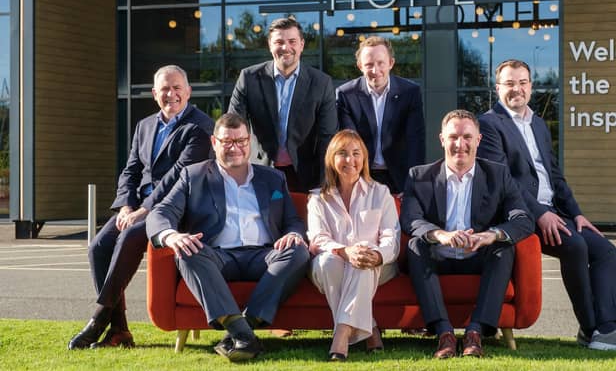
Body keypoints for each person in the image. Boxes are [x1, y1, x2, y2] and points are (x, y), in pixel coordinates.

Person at [68, 65, 215, 350]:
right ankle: (120, 330)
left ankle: (99, 318)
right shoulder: (145, 125)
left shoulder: (200, 127)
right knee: (98, 246)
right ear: (154, 94)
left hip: (176, 208)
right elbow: (131, 170)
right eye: (164, 89)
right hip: (137, 208)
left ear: (188, 91)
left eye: (176, 88)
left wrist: (144, 210)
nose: (170, 94)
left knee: (130, 235)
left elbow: (178, 176)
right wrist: (125, 205)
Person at [146, 112, 310, 362]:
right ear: (214, 143)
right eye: (227, 142)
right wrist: (170, 236)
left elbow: (293, 221)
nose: (235, 148)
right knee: (187, 251)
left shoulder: (273, 178)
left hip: (264, 255)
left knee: (298, 251)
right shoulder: (194, 175)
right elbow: (161, 212)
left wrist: (293, 234)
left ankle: (239, 330)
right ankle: (244, 335)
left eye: (241, 141)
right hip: (218, 256)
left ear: (250, 141)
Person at [477, 59, 616, 351]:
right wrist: (540, 214)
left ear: (531, 85)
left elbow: (554, 175)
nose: (517, 89)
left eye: (523, 82)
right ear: (497, 88)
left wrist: (576, 213)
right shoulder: (488, 124)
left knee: (605, 250)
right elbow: (505, 181)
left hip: (557, 211)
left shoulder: (538, 123)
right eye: (510, 83)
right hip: (519, 214)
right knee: (575, 246)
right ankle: (592, 331)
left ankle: (606, 326)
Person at [400, 109, 533, 359]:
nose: (460, 144)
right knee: (416, 246)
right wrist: (440, 235)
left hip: (478, 257)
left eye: (467, 137)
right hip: (438, 257)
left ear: (478, 140)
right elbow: (410, 219)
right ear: (442, 139)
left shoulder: (498, 174)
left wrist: (491, 235)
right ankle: (444, 333)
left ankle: (475, 332)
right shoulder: (419, 176)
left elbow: (523, 219)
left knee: (504, 247)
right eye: (453, 137)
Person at [307, 129, 400, 361]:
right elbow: (318, 238)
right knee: (330, 261)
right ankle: (370, 327)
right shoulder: (318, 198)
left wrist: (376, 255)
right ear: (332, 159)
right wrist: (345, 252)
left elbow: (392, 238)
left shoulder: (380, 193)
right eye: (343, 153)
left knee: (363, 262)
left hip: (378, 266)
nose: (350, 160)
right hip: (331, 266)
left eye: (356, 153)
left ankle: (341, 336)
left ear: (365, 158)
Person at [228, 16, 337, 192]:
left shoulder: (321, 83)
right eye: (279, 42)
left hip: (305, 176)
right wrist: (234, 174)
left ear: (301, 45)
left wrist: (325, 183)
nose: (286, 47)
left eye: (292, 41)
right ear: (270, 45)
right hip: (259, 171)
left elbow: (328, 137)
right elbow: (232, 128)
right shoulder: (249, 78)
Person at [336, 36, 425, 194]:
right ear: (360, 66)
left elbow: (415, 142)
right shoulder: (346, 94)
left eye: (380, 63)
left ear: (391, 63)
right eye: (369, 65)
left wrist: (412, 185)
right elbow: (349, 143)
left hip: (398, 177)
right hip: (362, 175)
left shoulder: (410, 92)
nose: (375, 71)